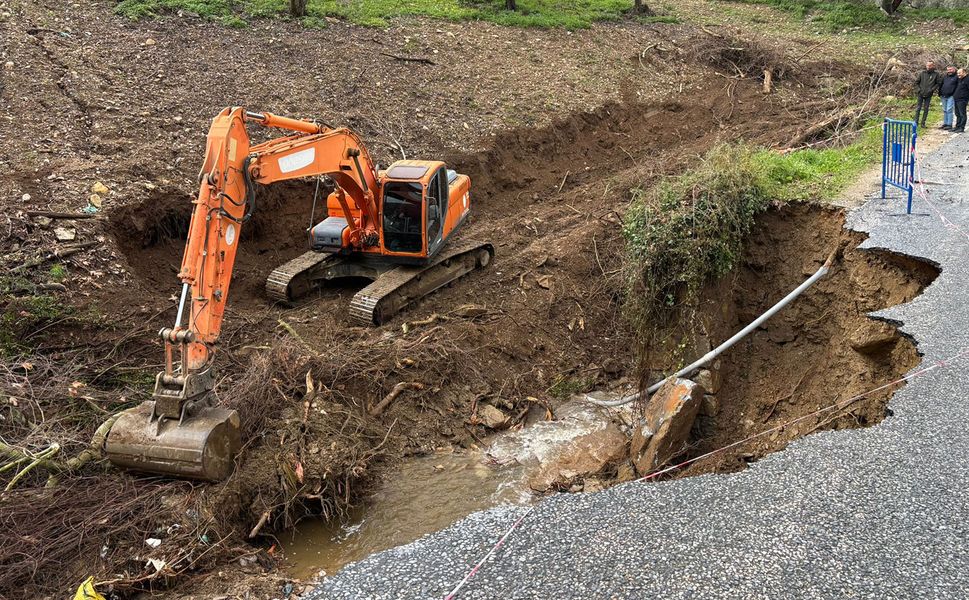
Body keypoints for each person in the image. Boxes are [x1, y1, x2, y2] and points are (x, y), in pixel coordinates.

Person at [913, 60, 943, 128]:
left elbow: (938, 83)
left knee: (926, 109)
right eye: (927, 65)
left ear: (933, 66)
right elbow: (916, 82)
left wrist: (932, 90)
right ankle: (915, 122)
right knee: (918, 108)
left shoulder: (936, 74)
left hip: (929, 94)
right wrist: (919, 90)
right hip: (920, 93)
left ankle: (923, 123)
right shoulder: (922, 73)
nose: (928, 67)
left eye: (930, 65)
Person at [939, 65, 958, 130]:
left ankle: (949, 124)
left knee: (949, 110)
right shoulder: (945, 76)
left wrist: (954, 94)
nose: (949, 71)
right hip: (943, 96)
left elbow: (958, 87)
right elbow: (941, 85)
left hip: (951, 96)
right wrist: (940, 93)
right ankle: (945, 123)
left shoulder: (956, 77)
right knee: (944, 110)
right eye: (948, 69)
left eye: (950, 69)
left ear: (954, 69)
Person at [952, 68, 969, 133]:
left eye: (959, 73)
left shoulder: (967, 79)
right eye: (957, 73)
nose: (958, 74)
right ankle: (957, 126)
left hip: (962, 100)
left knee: (962, 114)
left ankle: (962, 128)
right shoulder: (959, 79)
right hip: (956, 99)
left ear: (964, 72)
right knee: (957, 114)